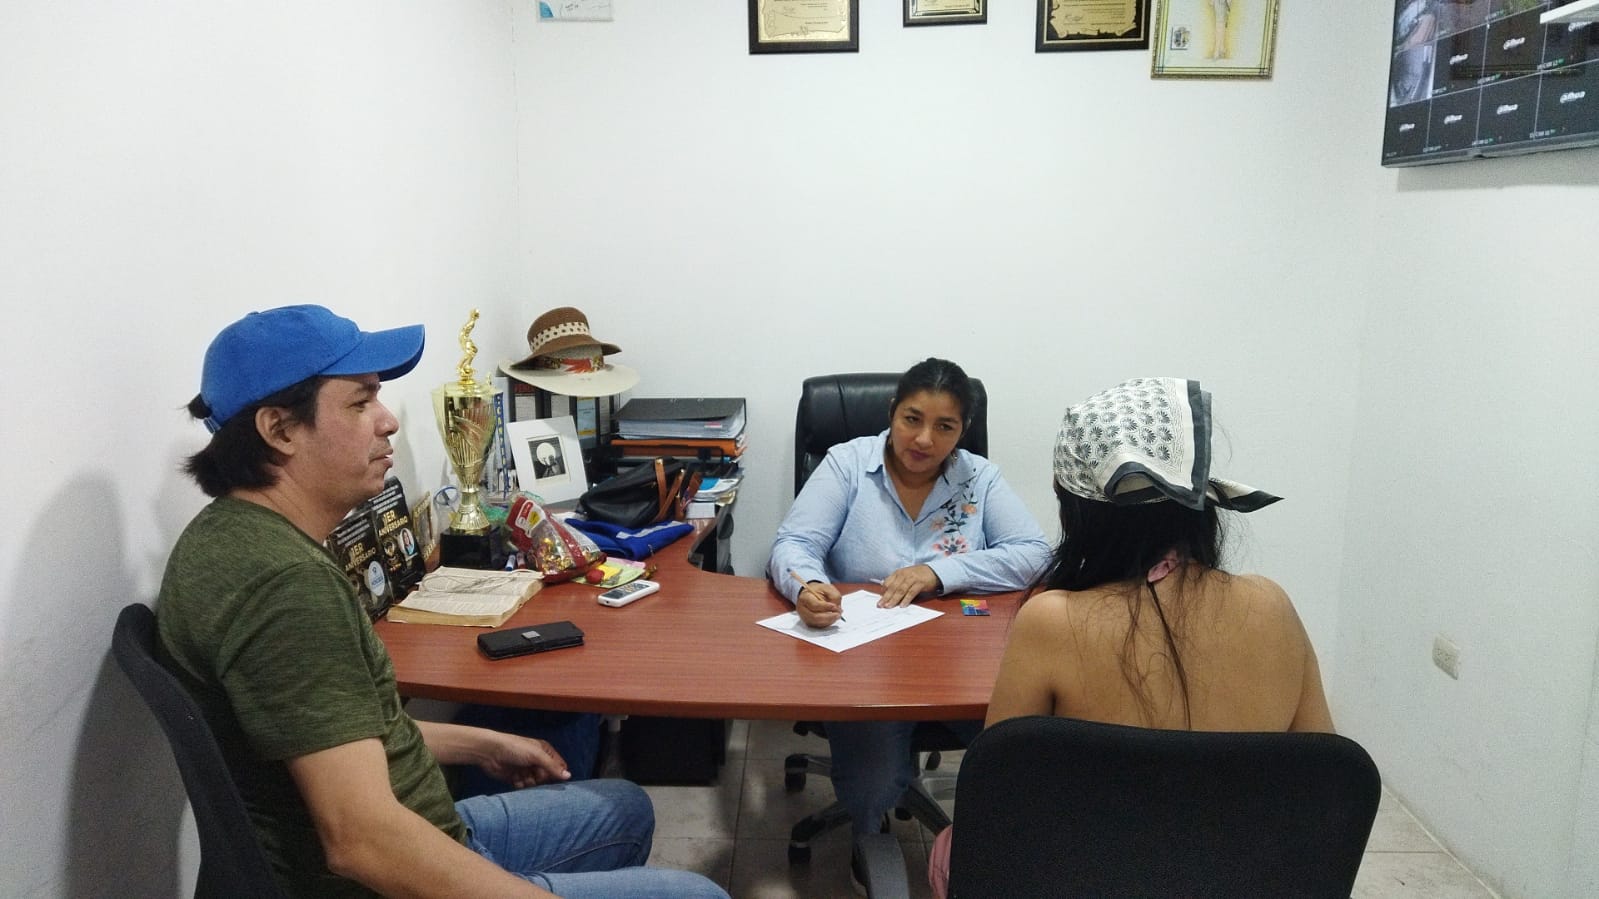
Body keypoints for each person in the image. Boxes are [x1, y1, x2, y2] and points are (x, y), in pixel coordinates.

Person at [157, 304, 727, 899]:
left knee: (624, 809)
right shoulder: (287, 588)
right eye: (360, 402)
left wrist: (483, 742)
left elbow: (339, 731)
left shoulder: (228, 535)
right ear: (279, 430)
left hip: (426, 826)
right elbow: (362, 842)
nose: (387, 421)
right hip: (384, 871)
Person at [927, 377, 1334, 897]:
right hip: (1239, 881)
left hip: (1082, 881)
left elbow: (995, 803)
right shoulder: (1273, 605)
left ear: (1075, 507)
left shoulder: (1051, 621)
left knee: (950, 849)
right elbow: (1324, 782)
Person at [766, 358, 1051, 843]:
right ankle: (869, 846)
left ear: (963, 431)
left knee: (1023, 752)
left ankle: (998, 856)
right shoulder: (847, 464)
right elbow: (794, 544)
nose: (923, 440)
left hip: (961, 661)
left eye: (945, 427)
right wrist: (807, 586)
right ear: (892, 413)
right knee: (872, 785)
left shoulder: (979, 478)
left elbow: (1034, 554)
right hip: (862, 658)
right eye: (912, 419)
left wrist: (938, 573)